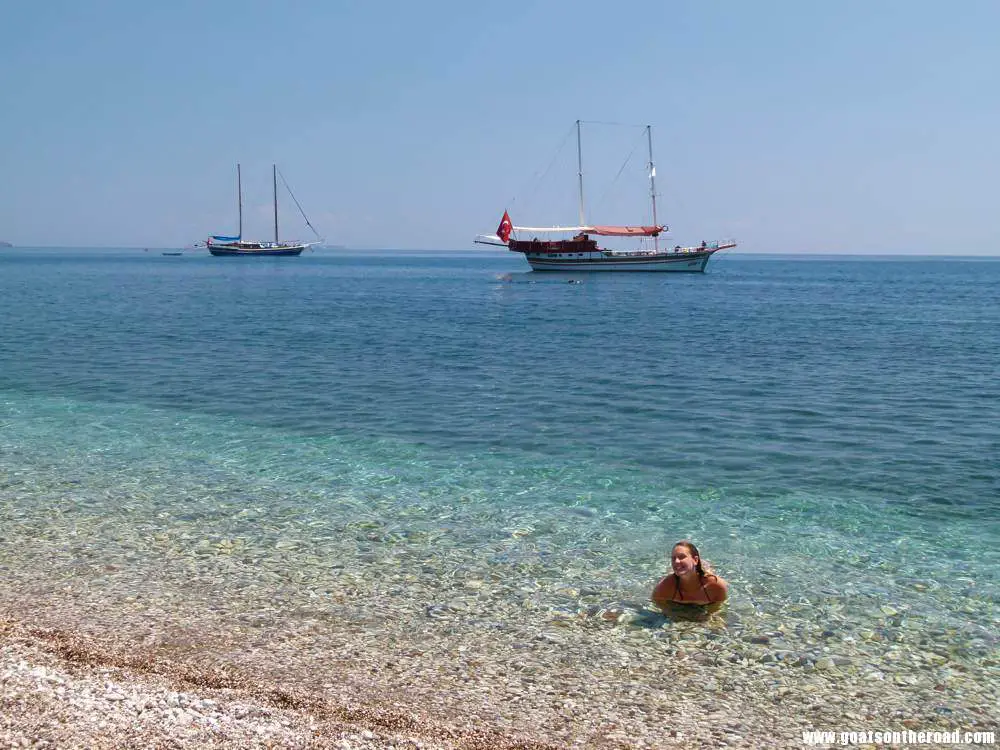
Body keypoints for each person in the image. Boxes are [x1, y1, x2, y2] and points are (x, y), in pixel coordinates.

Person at [651, 540, 728, 609]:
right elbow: (657, 606)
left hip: (702, 575)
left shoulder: (715, 586)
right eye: (673, 558)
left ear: (695, 560)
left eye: (682, 557)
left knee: (706, 570)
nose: (676, 561)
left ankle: (704, 565)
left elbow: (718, 610)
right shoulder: (665, 586)